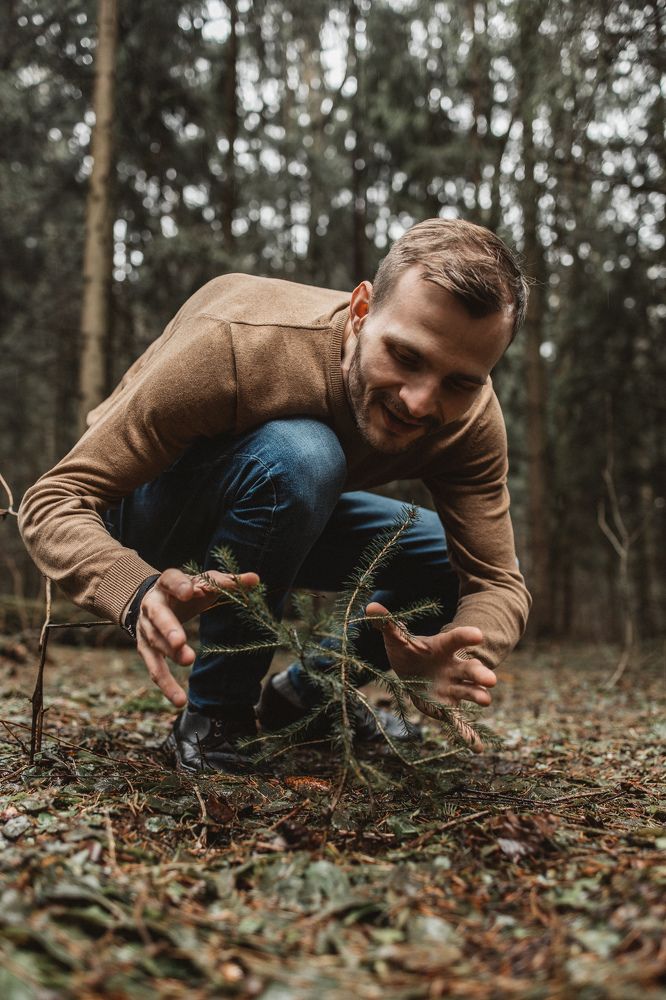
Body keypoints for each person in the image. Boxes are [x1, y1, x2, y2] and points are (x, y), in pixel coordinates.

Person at [19, 218, 531, 773]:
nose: (420, 401)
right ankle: (215, 721)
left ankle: (305, 697)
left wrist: (465, 650)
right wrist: (133, 588)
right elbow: (54, 499)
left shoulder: (473, 419)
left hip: (287, 512)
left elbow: (497, 580)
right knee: (306, 455)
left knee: (438, 552)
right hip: (147, 513)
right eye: (406, 357)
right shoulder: (236, 339)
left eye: (460, 382)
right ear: (361, 312)